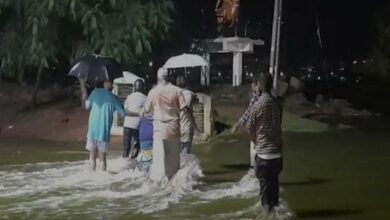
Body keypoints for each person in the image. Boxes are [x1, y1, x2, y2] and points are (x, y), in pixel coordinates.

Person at [232, 73, 283, 212]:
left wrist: (256, 141)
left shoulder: (257, 105)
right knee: (274, 188)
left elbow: (250, 128)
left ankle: (266, 213)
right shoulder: (278, 104)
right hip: (277, 155)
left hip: (263, 156)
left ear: (259, 85)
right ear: (271, 85)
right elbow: (279, 124)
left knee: (265, 195)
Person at [142, 68, 186, 180]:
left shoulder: (153, 92)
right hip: (174, 130)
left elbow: (146, 109)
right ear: (169, 77)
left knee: (159, 164)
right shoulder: (177, 91)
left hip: (159, 132)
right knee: (174, 165)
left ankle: (160, 185)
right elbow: (184, 108)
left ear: (158, 78)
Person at [84, 81, 125, 171]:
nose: (113, 85)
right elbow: (123, 113)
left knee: (92, 156)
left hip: (92, 130)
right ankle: (103, 179)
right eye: (111, 83)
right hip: (104, 132)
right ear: (106, 83)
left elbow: (87, 106)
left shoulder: (95, 92)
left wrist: (84, 92)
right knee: (102, 157)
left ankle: (92, 176)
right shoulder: (114, 98)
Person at [123, 79, 147, 159]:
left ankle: (125, 161)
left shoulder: (129, 96)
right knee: (139, 143)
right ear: (143, 87)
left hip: (127, 125)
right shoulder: (145, 98)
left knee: (126, 147)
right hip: (138, 125)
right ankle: (133, 158)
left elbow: (125, 109)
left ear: (134, 87)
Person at [176, 76, 198, 154]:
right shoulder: (190, 95)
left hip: (175, 128)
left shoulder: (173, 95)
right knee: (185, 155)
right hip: (186, 128)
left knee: (177, 156)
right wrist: (196, 127)